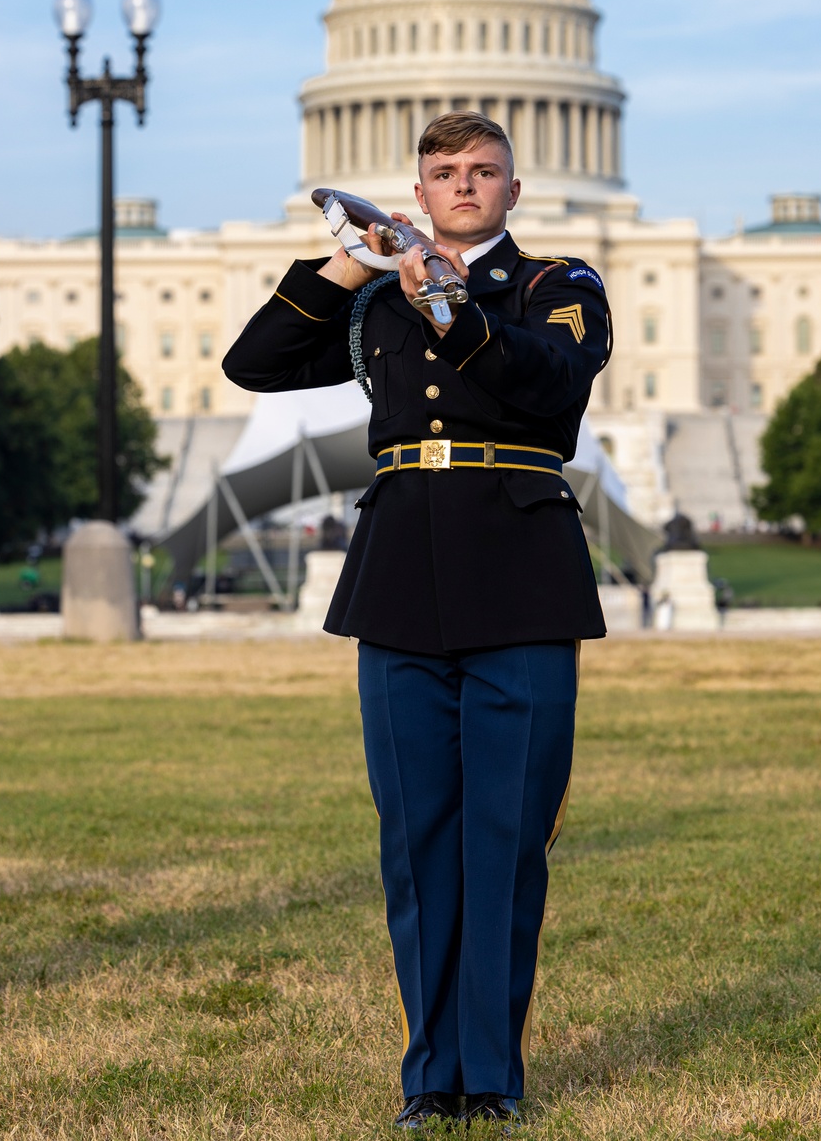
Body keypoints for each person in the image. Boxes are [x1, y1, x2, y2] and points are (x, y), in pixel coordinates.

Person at [222, 111, 611, 1130]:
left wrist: (447, 302)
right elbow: (253, 364)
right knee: (418, 839)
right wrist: (350, 267)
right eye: (445, 174)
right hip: (398, 578)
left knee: (505, 836)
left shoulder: (554, 287)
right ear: (420, 190)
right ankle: (429, 1076)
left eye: (485, 172)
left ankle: (493, 1075)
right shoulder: (375, 304)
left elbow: (551, 381)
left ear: (514, 192)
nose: (465, 187)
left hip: (520, 576)